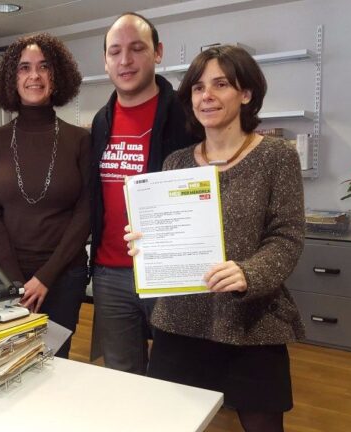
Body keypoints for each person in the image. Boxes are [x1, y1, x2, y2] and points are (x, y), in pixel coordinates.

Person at [125, 45, 305, 432]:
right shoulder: (177, 162)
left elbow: (287, 236)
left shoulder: (276, 157)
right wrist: (146, 242)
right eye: (198, 87)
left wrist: (249, 273)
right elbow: (165, 230)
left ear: (246, 93)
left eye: (220, 84)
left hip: (252, 324)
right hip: (179, 323)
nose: (206, 96)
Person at [89, 12, 194, 374]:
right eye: (115, 51)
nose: (125, 60)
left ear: (158, 52)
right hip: (110, 272)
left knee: (176, 376)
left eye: (137, 49)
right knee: (123, 377)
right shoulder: (101, 122)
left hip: (168, 272)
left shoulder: (187, 116)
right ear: (105, 61)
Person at [0, 33, 90, 359]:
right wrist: (15, 282)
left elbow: (85, 213)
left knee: (56, 362)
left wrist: (44, 277)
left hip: (64, 276)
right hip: (7, 276)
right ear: (12, 79)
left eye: (44, 67)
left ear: (57, 77)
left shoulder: (79, 139)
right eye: (24, 68)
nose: (34, 76)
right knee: (11, 363)